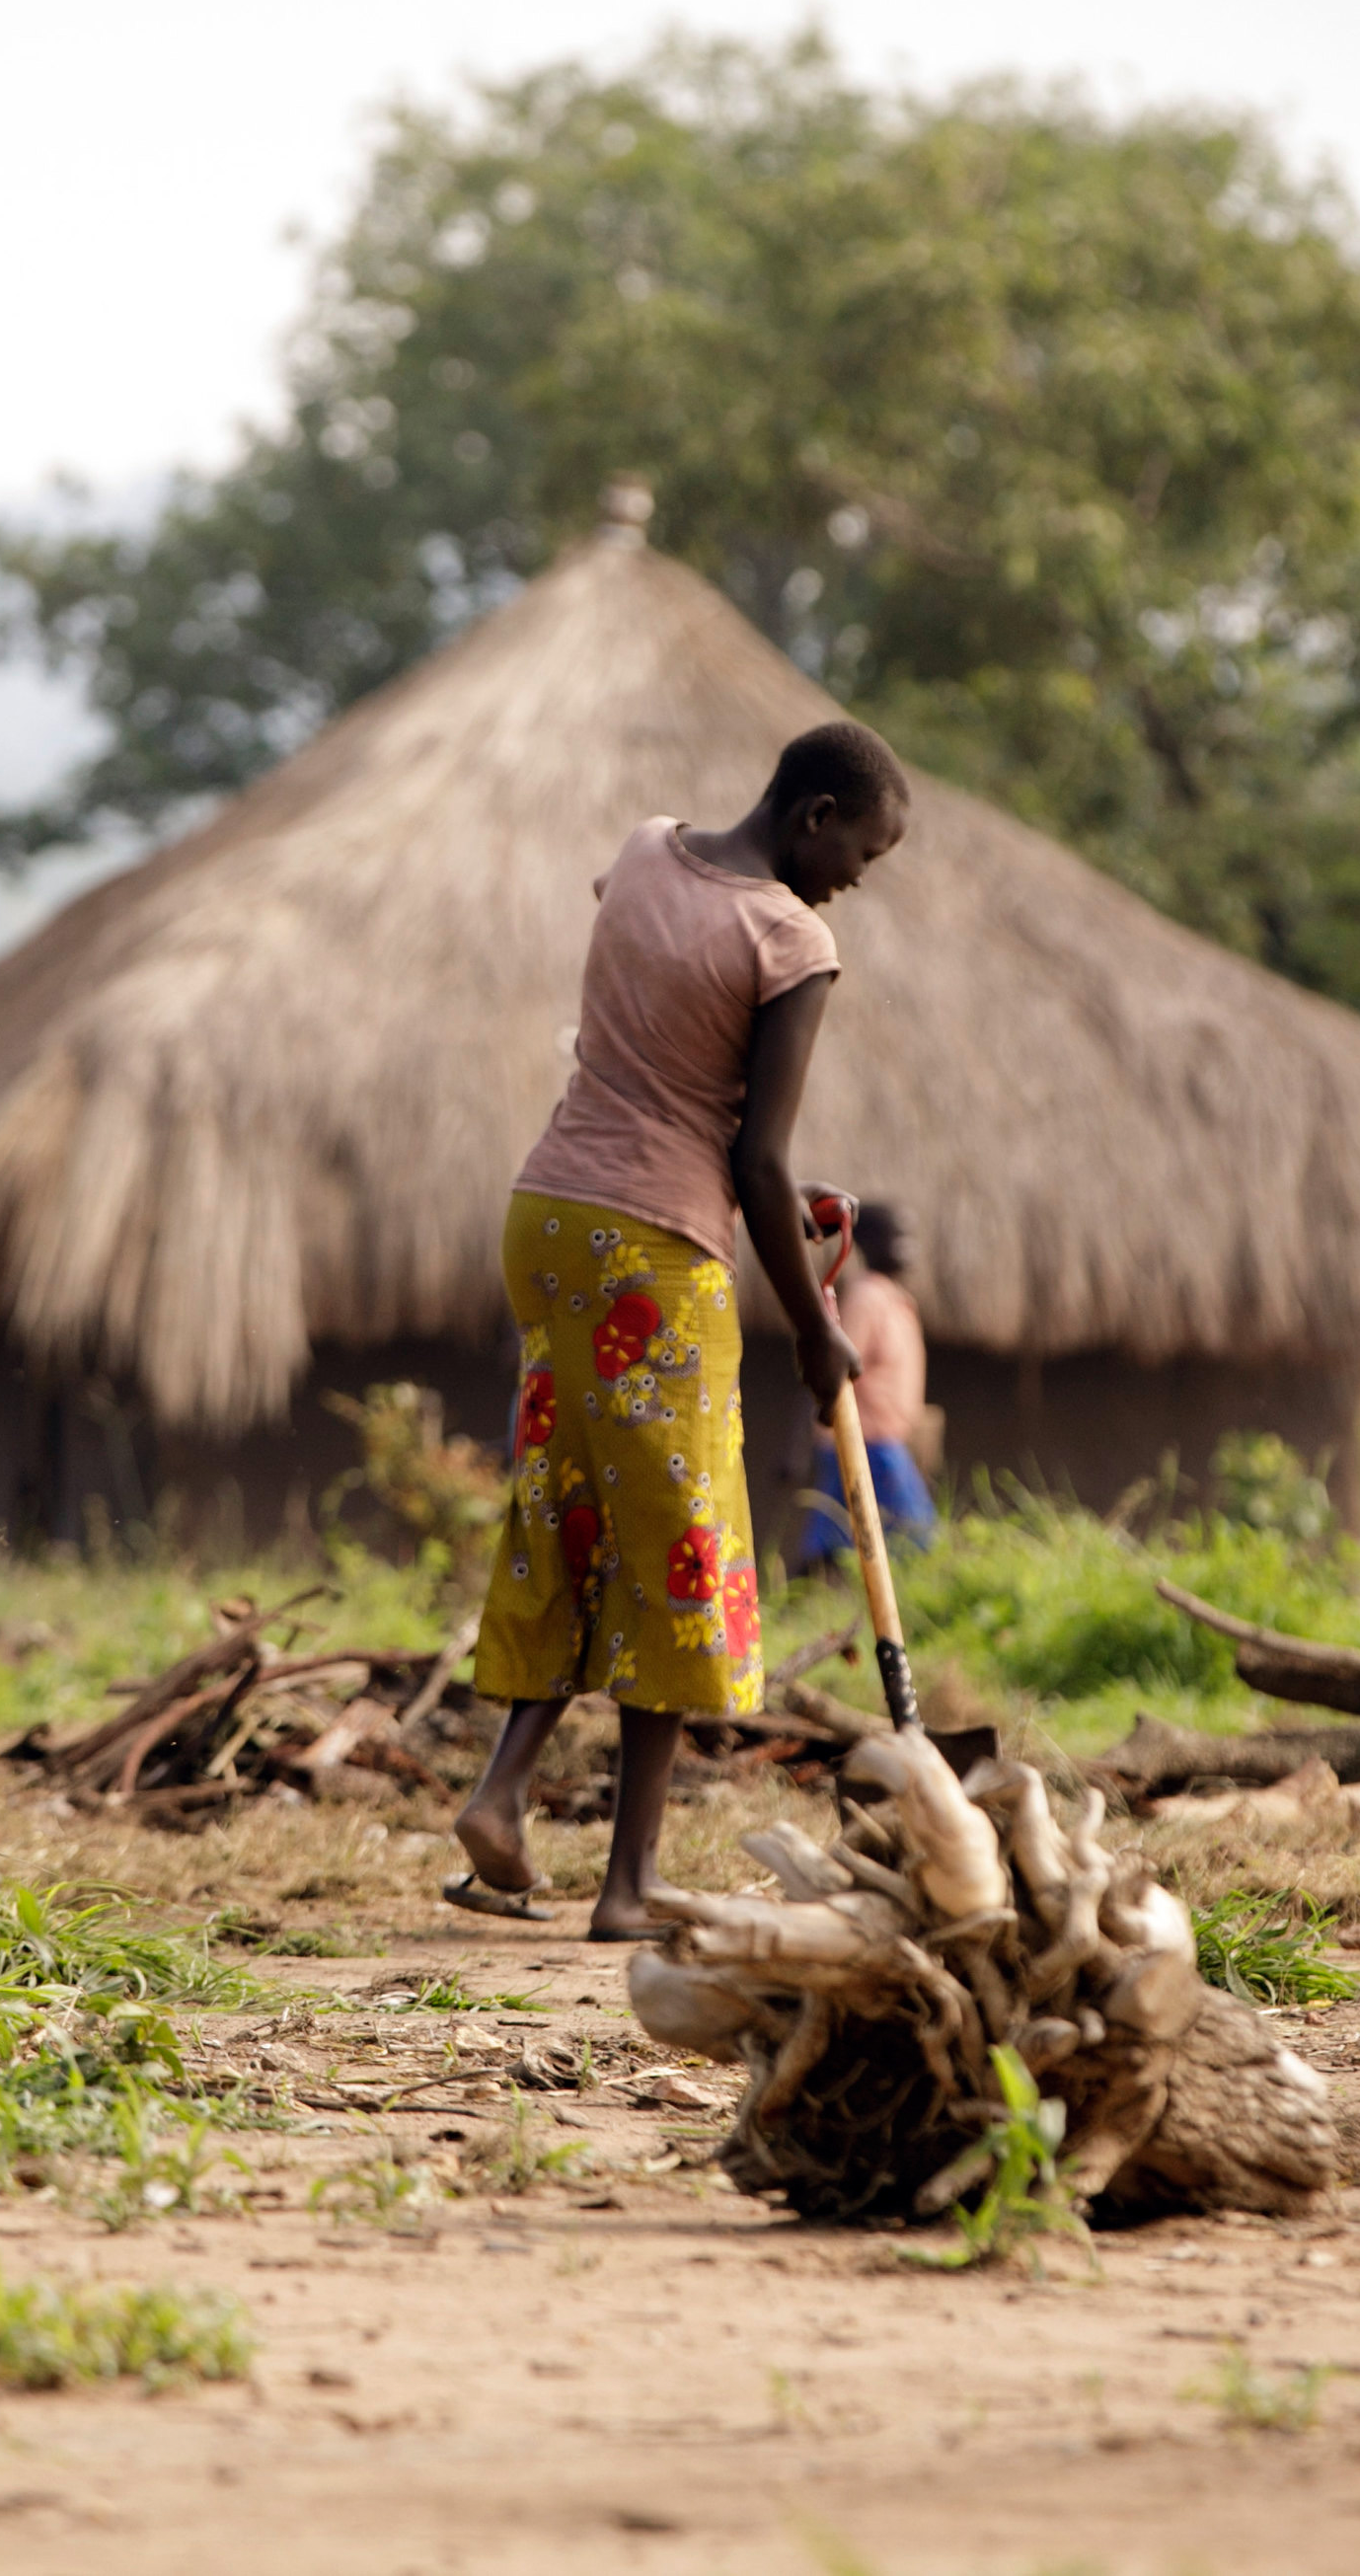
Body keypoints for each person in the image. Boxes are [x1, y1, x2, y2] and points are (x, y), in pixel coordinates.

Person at [446, 720, 910, 1942]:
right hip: (652, 1257)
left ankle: (500, 1795)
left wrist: (781, 1199)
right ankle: (628, 1883)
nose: (853, 881)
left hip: (550, 1219)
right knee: (685, 1547)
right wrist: (814, 1327)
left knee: (576, 1509)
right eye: (858, 853)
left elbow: (673, 1070)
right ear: (813, 814)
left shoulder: (644, 848)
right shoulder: (789, 937)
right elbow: (752, 1151)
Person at [801, 1198, 937, 1566]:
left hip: (884, 1442)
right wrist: (800, 1442)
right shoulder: (867, 1298)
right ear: (865, 1243)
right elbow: (830, 1369)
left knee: (842, 1543)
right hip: (864, 1443)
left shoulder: (898, 1302)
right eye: (894, 1235)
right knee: (916, 1539)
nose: (903, 1245)